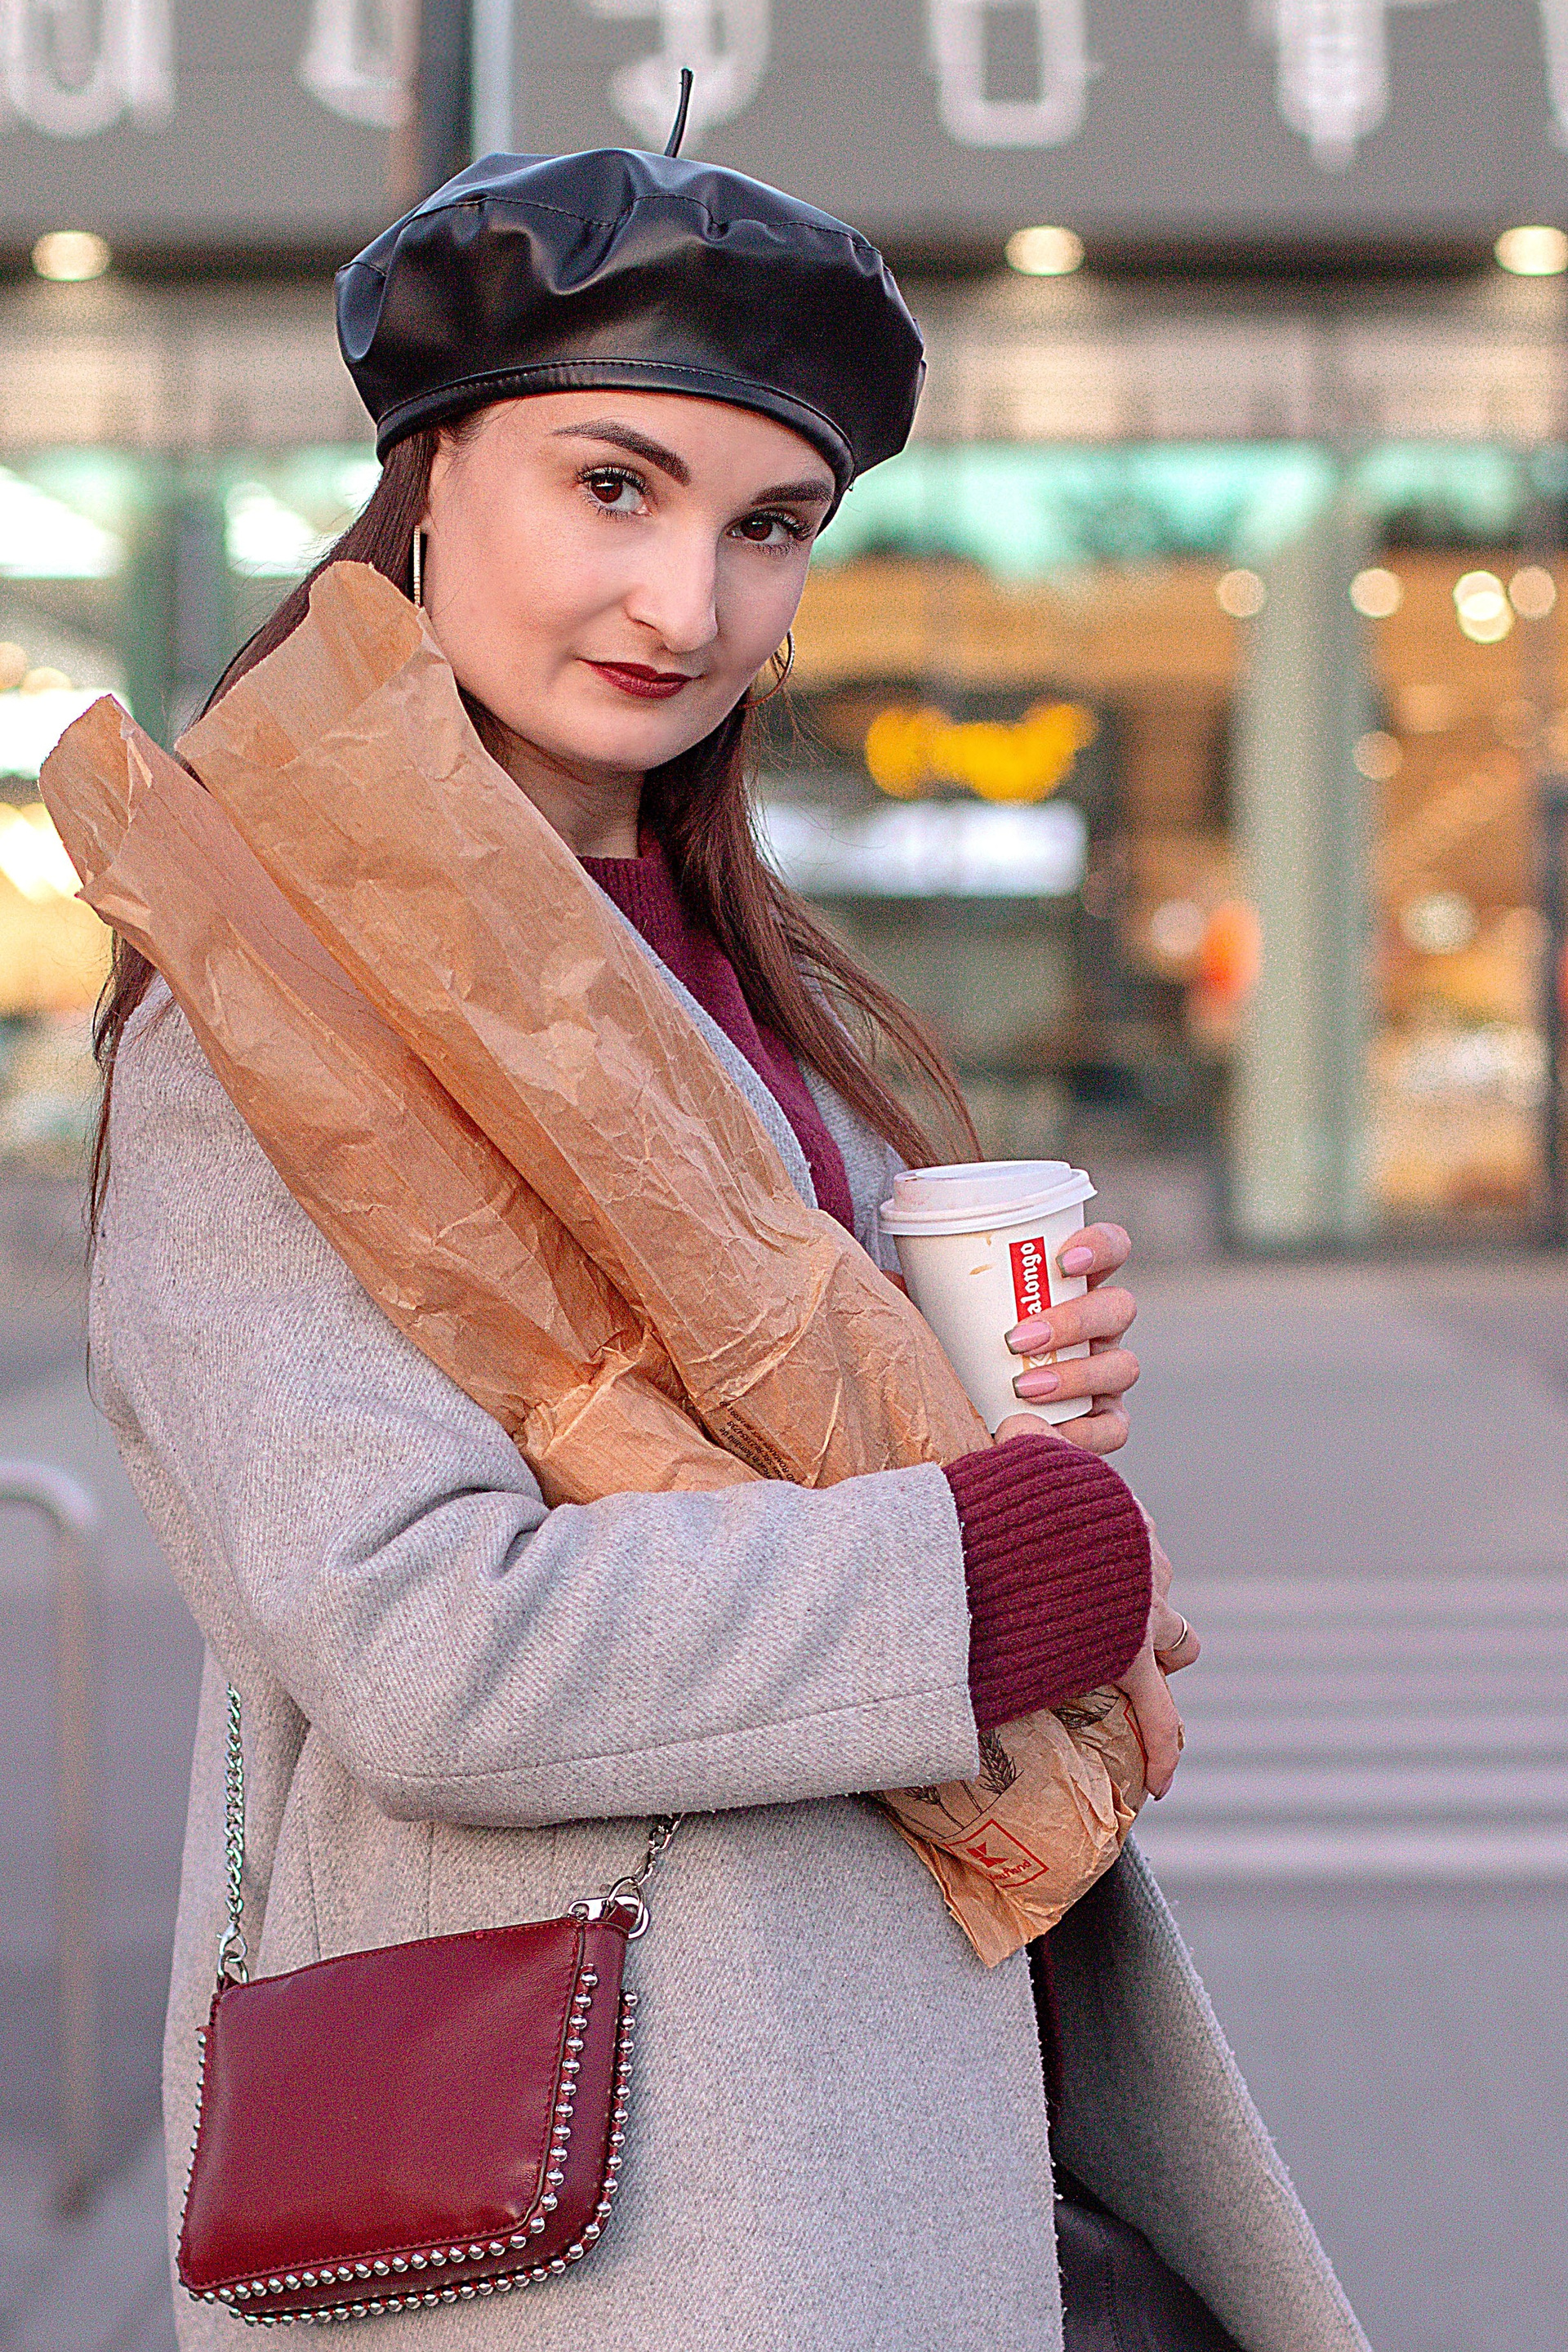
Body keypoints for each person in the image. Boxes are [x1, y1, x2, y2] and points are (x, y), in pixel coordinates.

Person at [86, 136, 1367, 2350]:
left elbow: (772, 1457)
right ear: (431, 474)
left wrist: (977, 1410)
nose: (686, 605)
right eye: (614, 487)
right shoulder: (270, 1010)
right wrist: (982, 1567)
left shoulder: (723, 969)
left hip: (885, 2117)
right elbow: (428, 1645)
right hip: (603, 2189)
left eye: (770, 526)